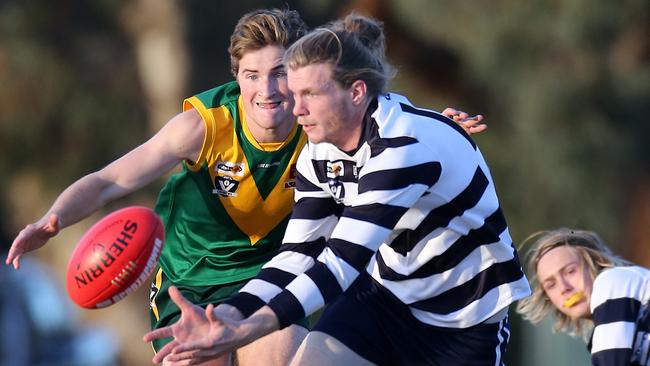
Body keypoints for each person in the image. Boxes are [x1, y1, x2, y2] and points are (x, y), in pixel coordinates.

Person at [5, 8, 484, 366]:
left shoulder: (319, 121)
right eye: (252, 75)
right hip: (190, 281)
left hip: (277, 271)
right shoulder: (203, 127)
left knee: (284, 354)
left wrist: (434, 127)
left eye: (280, 74)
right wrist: (54, 220)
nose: (267, 90)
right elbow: (111, 180)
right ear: (236, 77)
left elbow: (381, 119)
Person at [144, 13, 530, 366]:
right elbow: (297, 255)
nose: (296, 110)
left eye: (310, 95)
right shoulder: (319, 152)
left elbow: (338, 264)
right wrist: (227, 315)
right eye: (296, 94)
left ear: (356, 92)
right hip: (383, 300)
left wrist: (245, 330)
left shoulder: (403, 150)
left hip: (463, 320)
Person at [516, 228, 650, 366]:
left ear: (595, 262)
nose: (564, 288)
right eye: (551, 285)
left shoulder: (611, 280)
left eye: (570, 271)